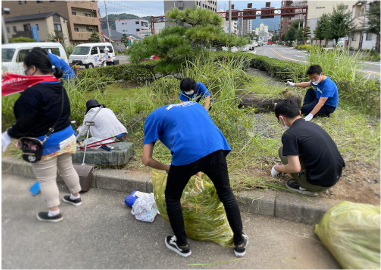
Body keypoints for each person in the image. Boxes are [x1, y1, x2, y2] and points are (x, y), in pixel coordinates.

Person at [142, 101, 248, 258]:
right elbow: (199, 140)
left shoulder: (152, 118)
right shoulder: (195, 105)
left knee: (172, 197)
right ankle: (239, 242)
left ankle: (182, 244)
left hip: (186, 152)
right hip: (215, 145)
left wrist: (169, 168)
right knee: (225, 193)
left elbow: (147, 160)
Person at [0, 49, 82, 222]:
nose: (24, 72)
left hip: (45, 142)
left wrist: (8, 136)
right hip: (67, 136)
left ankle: (54, 212)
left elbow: (24, 122)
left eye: (25, 68)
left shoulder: (33, 93)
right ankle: (75, 196)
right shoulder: (56, 84)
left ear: (33, 69)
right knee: (67, 168)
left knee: (46, 178)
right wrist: (9, 78)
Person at [271, 99, 345, 196]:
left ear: (281, 118)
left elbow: (295, 168)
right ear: (300, 113)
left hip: (317, 184)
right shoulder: (312, 125)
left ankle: (306, 188)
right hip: (335, 177)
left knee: (282, 151)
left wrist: (277, 168)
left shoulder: (289, 134)